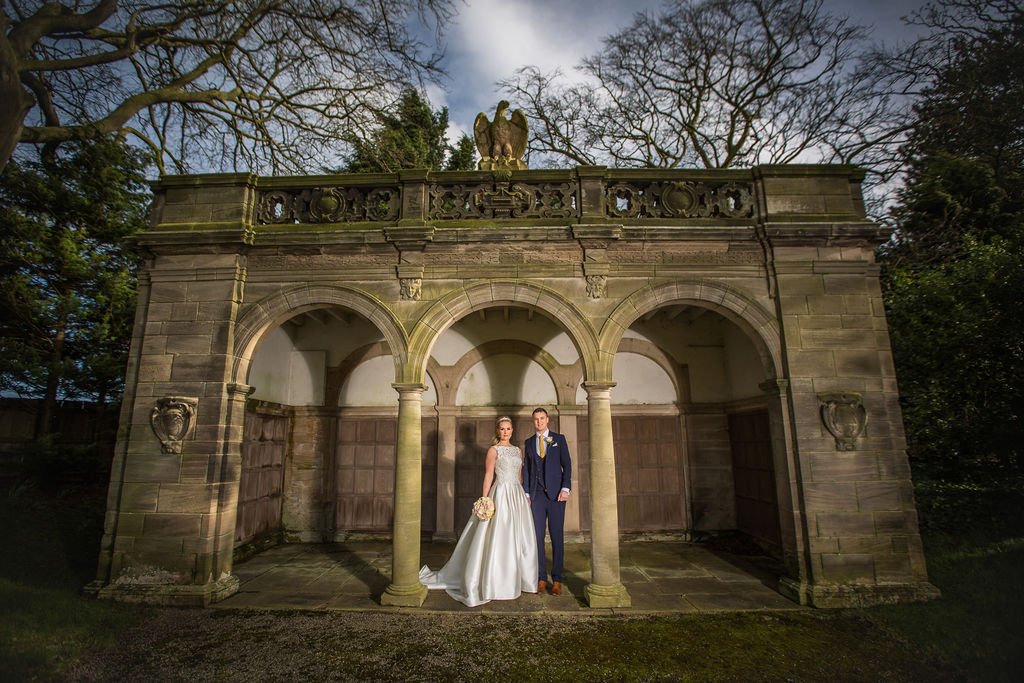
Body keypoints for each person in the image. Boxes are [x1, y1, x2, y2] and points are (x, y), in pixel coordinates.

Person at [419, 417, 538, 607]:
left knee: (518, 536)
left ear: (512, 430)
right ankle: (496, 581)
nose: (505, 432)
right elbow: (489, 475)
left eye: (508, 429)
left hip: (517, 495)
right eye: (502, 429)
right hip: (500, 493)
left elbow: (520, 475)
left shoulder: (517, 450)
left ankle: (519, 579)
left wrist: (524, 494)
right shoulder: (493, 450)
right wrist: (486, 500)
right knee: (499, 535)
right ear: (498, 431)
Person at [524, 406, 571, 596]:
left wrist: (565, 488)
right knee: (537, 538)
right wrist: (527, 493)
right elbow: (526, 470)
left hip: (556, 496)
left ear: (547, 419)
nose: (539, 422)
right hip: (536, 497)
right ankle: (541, 578)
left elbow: (567, 464)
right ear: (533, 421)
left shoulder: (558, 440)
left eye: (542, 418)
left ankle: (557, 579)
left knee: (557, 537)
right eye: (536, 419)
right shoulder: (528, 443)